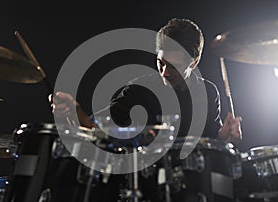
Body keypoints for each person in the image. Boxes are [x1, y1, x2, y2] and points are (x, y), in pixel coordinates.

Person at [49, 18, 242, 201]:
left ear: (194, 61)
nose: (164, 72)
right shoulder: (138, 90)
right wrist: (74, 112)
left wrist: (224, 138)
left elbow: (208, 148)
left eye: (173, 66)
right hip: (143, 189)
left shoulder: (208, 92)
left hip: (190, 190)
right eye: (160, 63)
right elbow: (95, 129)